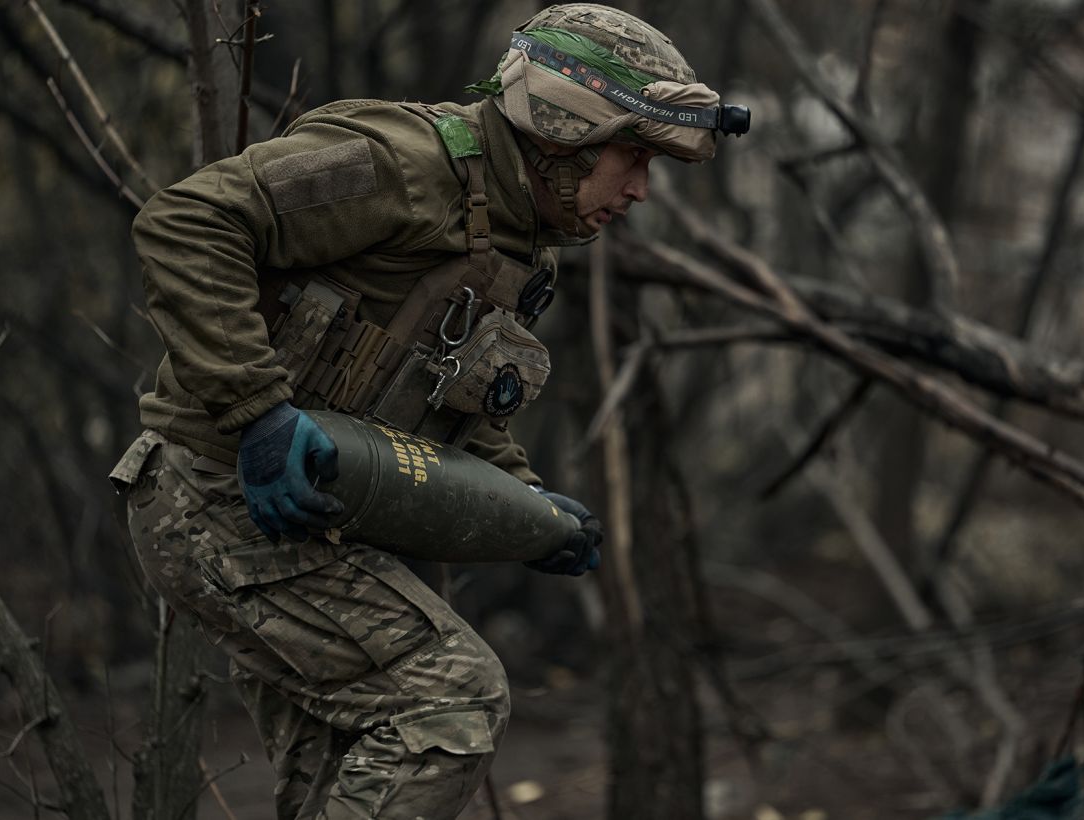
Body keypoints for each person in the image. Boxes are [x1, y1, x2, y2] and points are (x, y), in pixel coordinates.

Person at [109, 4, 747, 817]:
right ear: (568, 129)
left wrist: (528, 502)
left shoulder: (518, 237)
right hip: (216, 496)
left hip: (307, 517)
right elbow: (189, 220)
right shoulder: (404, 164)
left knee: (340, 775)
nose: (641, 191)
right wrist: (258, 412)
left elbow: (459, 399)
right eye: (634, 156)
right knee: (451, 702)